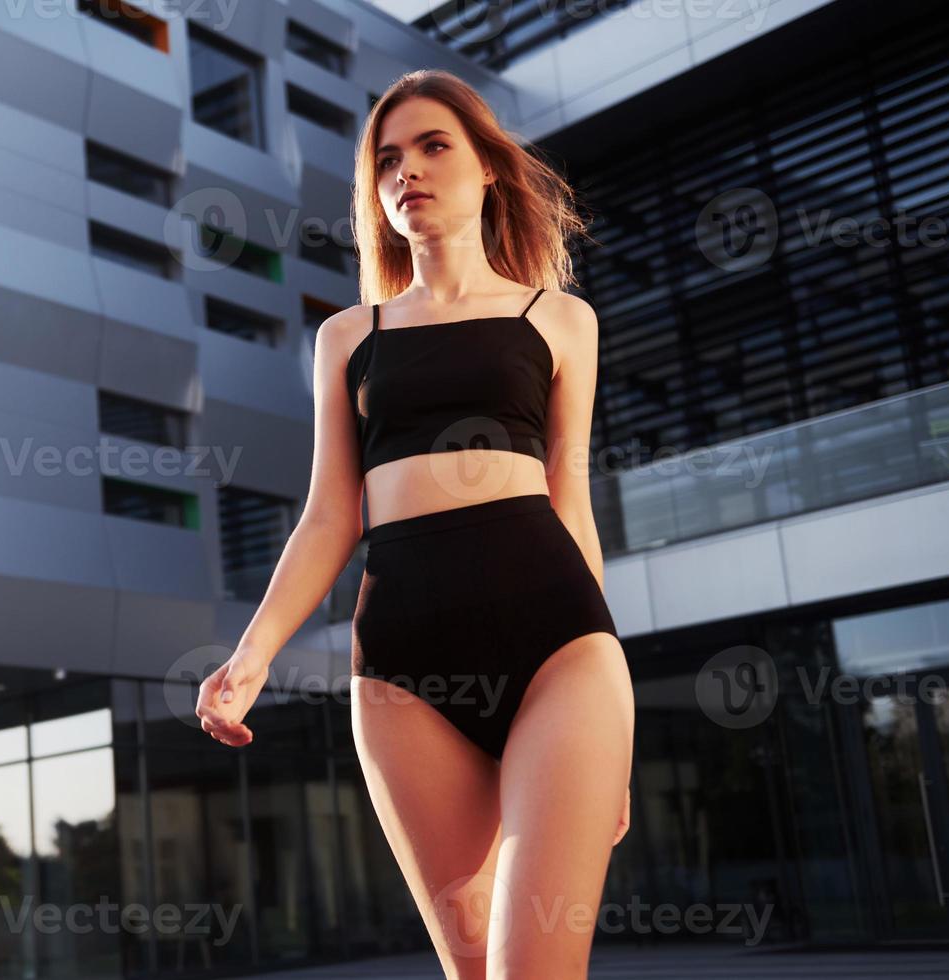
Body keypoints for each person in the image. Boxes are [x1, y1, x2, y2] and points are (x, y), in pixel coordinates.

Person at [194, 69, 634, 978]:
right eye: (387, 159)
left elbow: (570, 497)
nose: (408, 171)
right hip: (401, 664)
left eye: (434, 147)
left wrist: (612, 741)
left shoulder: (559, 319)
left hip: (559, 641)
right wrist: (251, 656)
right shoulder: (348, 337)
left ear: (487, 172)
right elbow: (326, 516)